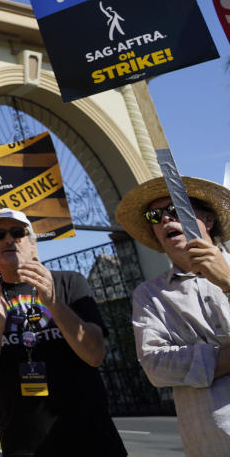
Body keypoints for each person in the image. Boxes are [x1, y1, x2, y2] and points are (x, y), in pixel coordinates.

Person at [0, 208, 125, 456]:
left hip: (90, 435)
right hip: (23, 441)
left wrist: (53, 303)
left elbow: (95, 354)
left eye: (17, 233)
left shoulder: (70, 283)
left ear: (31, 242)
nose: (8, 239)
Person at [118, 176, 230, 456]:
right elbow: (155, 364)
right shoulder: (149, 295)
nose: (165, 218)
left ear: (208, 219)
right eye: (155, 215)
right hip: (207, 443)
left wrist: (228, 281)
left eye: (176, 209)